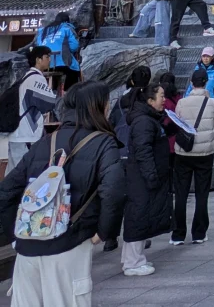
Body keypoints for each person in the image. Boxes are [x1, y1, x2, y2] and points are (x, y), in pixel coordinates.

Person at [0, 81, 125, 307]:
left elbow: (6, 192)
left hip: (27, 249)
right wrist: (103, 232)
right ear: (98, 107)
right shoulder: (104, 143)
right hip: (69, 246)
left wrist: (17, 235)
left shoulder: (44, 143)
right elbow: (114, 192)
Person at [123, 77, 184, 276]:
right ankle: (133, 262)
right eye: (160, 96)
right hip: (141, 179)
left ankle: (133, 259)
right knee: (138, 218)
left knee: (141, 217)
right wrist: (151, 176)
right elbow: (143, 151)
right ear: (149, 100)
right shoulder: (143, 122)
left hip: (144, 177)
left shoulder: (150, 120)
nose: (163, 100)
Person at [172, 65, 214, 244]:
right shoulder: (212, 103)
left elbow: (177, 121)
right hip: (205, 153)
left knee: (181, 193)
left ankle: (178, 234)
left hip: (183, 153)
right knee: (202, 194)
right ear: (206, 83)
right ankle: (199, 233)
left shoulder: (181, 102)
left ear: (191, 83)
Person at [6, 44, 55, 171]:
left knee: (13, 172)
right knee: (24, 173)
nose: (49, 59)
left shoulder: (24, 76)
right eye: (47, 56)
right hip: (27, 135)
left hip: (17, 133)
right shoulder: (36, 78)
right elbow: (49, 103)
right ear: (38, 60)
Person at [33, 12, 81, 81]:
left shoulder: (43, 31)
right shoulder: (66, 28)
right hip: (62, 65)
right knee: (74, 71)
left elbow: (38, 46)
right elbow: (74, 46)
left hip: (44, 65)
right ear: (67, 21)